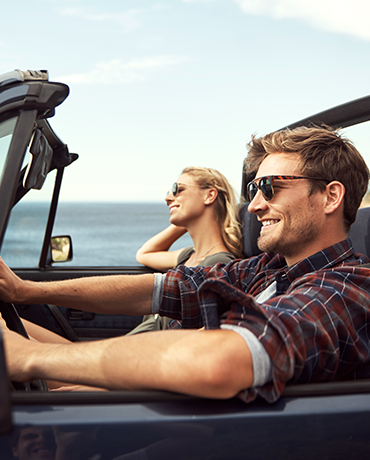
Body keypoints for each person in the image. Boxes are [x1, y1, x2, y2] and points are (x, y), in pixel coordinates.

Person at [1, 125, 370, 404]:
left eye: (270, 187)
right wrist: (26, 290)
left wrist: (33, 358)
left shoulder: (346, 289)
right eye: (254, 189)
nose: (255, 206)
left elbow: (221, 363)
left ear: (330, 196)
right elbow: (164, 288)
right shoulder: (268, 269)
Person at [131, 166, 243, 333]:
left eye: (178, 190)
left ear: (209, 195)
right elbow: (144, 254)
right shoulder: (189, 255)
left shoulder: (218, 264)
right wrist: (183, 220)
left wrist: (183, 216)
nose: (168, 198)